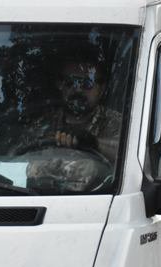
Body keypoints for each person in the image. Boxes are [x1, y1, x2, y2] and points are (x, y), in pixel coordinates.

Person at [25, 56, 121, 190]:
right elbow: (12, 155)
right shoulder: (42, 123)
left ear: (102, 88)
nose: (77, 90)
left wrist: (94, 143)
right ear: (59, 84)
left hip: (97, 204)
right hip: (36, 198)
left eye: (87, 83)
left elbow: (134, 160)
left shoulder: (118, 124)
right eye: (70, 82)